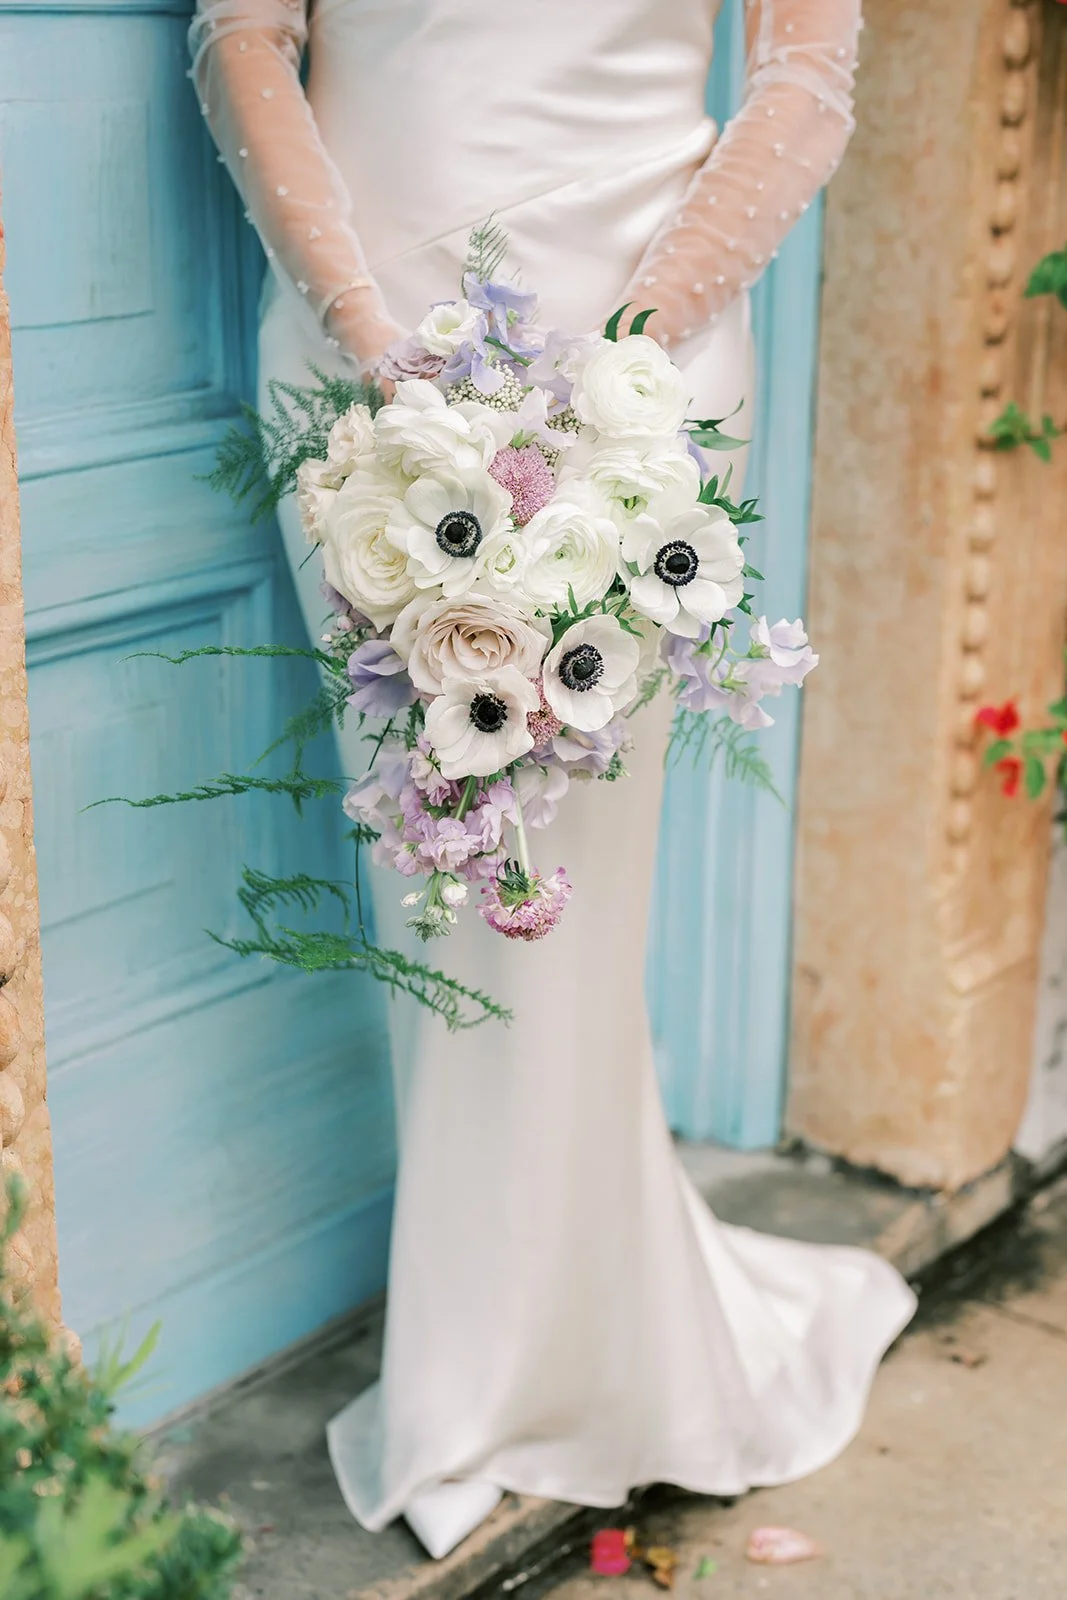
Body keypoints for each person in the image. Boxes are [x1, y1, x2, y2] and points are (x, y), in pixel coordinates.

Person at [190, 0, 915, 1561]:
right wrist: (379, 351)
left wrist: (624, 369)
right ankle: (488, 1371)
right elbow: (244, 37)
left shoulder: (634, 381)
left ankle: (549, 1357)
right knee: (434, 867)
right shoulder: (362, 366)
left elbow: (803, 75)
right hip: (360, 370)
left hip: (637, 385)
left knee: (565, 901)